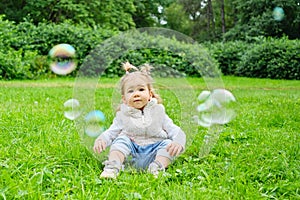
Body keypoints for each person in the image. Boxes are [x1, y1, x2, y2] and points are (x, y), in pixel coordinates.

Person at [93, 62, 186, 179]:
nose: (136, 94)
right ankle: (112, 168)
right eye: (130, 91)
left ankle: (156, 168)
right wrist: (102, 139)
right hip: (131, 155)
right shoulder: (122, 114)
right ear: (124, 99)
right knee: (120, 141)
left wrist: (178, 141)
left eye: (141, 89)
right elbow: (112, 131)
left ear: (150, 94)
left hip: (154, 153)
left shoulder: (158, 111)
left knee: (167, 144)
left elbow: (174, 129)